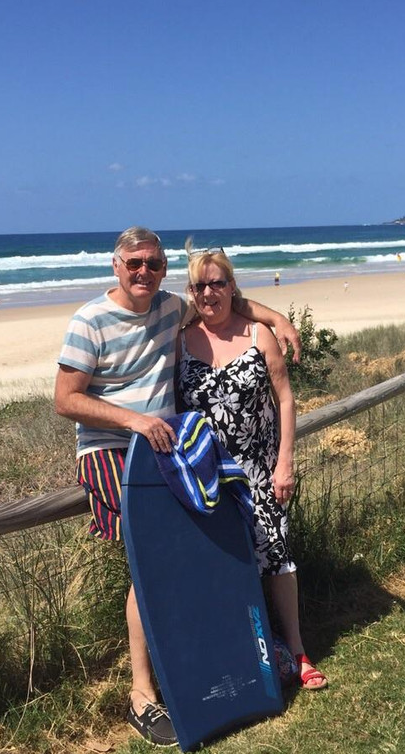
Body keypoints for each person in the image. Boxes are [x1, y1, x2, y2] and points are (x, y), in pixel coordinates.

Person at [54, 227, 301, 746]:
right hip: (111, 451)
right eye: (134, 263)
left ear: (164, 271)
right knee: (152, 564)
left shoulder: (172, 308)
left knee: (193, 554)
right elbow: (65, 400)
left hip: (170, 450)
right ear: (115, 266)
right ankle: (141, 696)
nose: (144, 272)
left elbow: (224, 300)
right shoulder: (89, 321)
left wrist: (275, 317)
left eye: (154, 264)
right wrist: (134, 422)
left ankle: (207, 665)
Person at [176, 244, 328, 692]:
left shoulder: (258, 335)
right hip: (206, 478)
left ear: (232, 287)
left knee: (277, 560)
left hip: (259, 471)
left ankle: (297, 651)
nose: (209, 293)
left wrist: (285, 462)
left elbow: (284, 397)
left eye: (218, 283)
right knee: (220, 566)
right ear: (191, 292)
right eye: (200, 286)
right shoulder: (181, 339)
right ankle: (240, 654)